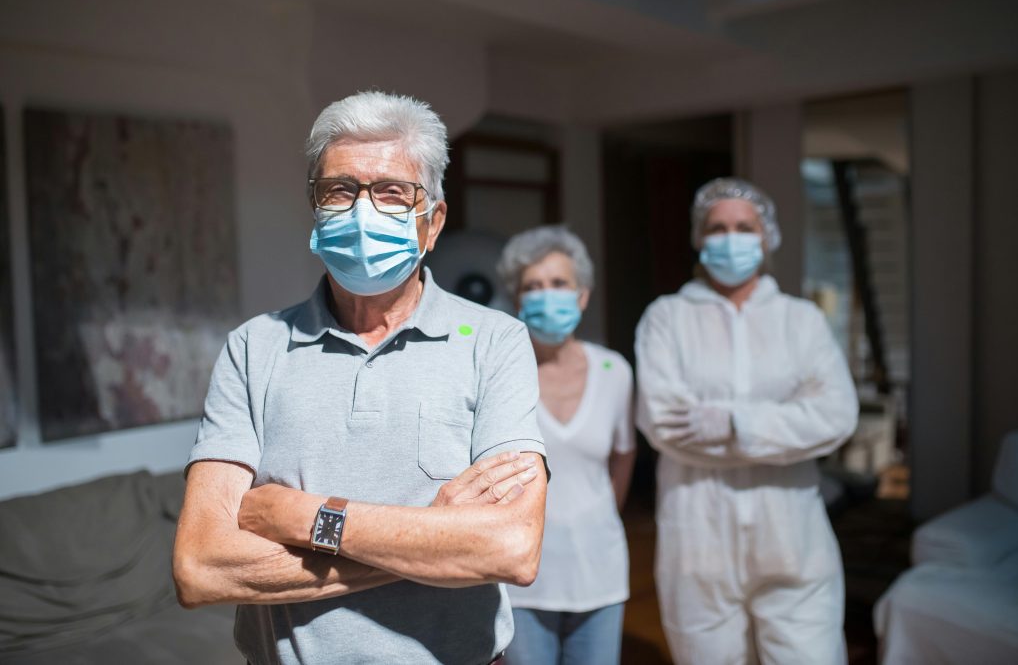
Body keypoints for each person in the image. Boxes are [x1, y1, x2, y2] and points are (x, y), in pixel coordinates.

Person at [172, 91, 548, 665]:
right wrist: (433, 537)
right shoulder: (253, 348)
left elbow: (512, 548)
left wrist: (304, 517)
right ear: (315, 209)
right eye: (340, 190)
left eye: (393, 191)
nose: (362, 210)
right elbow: (200, 567)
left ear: (433, 223)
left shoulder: (496, 341)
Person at [634, 178, 859, 665]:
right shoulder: (666, 318)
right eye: (718, 228)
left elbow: (836, 415)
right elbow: (664, 423)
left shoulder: (801, 321)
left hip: (793, 540)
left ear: (767, 236)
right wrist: (787, 427)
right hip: (698, 540)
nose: (730, 239)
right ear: (699, 238)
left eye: (744, 227)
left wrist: (736, 424)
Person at [496, 226, 636, 665]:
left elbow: (624, 454)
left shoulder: (614, 371)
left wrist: (600, 516)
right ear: (517, 299)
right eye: (533, 286)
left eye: (559, 283)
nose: (547, 295)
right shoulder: (501, 372)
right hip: (523, 577)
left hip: (601, 571)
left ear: (583, 295)